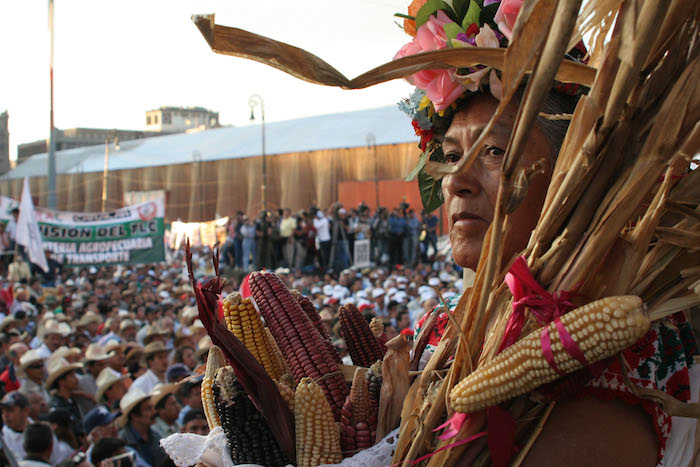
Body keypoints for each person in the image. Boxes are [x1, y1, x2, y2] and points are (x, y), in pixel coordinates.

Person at [396, 5, 697, 463]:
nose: (457, 179)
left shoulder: (619, 347)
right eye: (452, 154)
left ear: (572, 178)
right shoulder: (442, 325)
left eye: (494, 150)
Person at [118, 388, 167, 467]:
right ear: (134, 416)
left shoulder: (155, 435)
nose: (154, 412)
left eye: (152, 407)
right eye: (148, 409)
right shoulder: (123, 440)